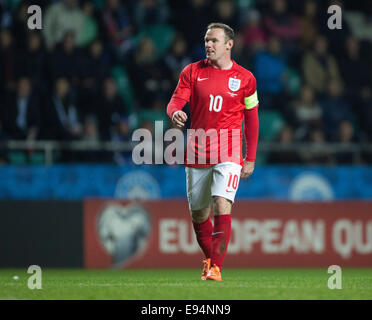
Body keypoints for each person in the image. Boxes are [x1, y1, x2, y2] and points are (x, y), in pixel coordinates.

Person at [166, 23, 259, 281]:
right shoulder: (192, 71)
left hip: (229, 150)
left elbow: (252, 120)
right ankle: (210, 259)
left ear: (229, 44)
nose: (209, 44)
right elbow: (175, 101)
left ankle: (216, 268)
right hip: (197, 148)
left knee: (221, 203)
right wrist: (175, 112)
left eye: (214, 40)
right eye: (207, 40)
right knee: (199, 213)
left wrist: (249, 158)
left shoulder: (246, 79)